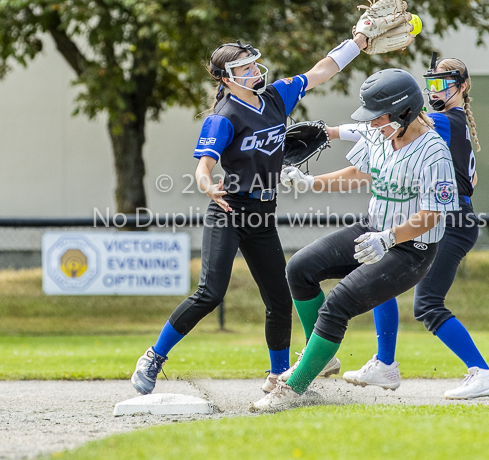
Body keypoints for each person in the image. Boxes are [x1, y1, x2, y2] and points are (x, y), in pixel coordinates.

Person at [131, 33, 369, 396]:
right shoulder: (223, 117)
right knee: (210, 293)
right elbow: (204, 167)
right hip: (229, 210)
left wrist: (359, 41)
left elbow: (323, 70)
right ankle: (153, 356)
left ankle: (277, 377)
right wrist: (208, 184)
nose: (253, 69)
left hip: (263, 212)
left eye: (253, 62)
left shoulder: (275, 96)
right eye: (243, 67)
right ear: (226, 78)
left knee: (278, 298)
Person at [249, 68, 461, 412]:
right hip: (371, 228)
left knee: (339, 303)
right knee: (300, 269)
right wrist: (309, 182)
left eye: (379, 117)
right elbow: (360, 174)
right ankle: (321, 357)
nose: (373, 124)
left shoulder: (434, 151)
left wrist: (388, 239)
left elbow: (433, 216)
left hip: (411, 248)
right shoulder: (381, 135)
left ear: (405, 112)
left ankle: (292, 389)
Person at [323, 56, 489, 400]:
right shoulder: (455, 123)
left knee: (427, 305)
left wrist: (330, 132)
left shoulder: (442, 120)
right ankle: (384, 364)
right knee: (380, 276)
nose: (434, 90)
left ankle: (483, 372)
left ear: (462, 87)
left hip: (450, 221)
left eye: (444, 83)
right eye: (430, 83)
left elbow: (376, 126)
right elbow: (472, 177)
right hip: (449, 216)